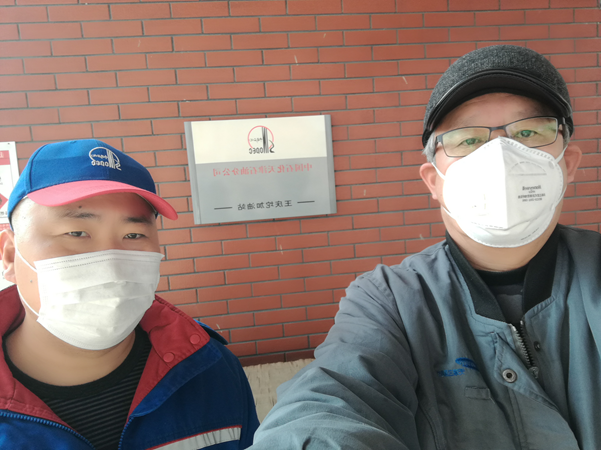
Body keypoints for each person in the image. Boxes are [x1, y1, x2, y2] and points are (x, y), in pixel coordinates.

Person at [249, 45, 601, 449]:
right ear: (434, 182)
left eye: (529, 133)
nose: (501, 155)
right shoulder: (390, 302)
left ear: (567, 165)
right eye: (468, 139)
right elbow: (328, 404)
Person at [0, 140, 259, 449]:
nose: (111, 263)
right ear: (10, 255)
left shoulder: (210, 368)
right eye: (77, 233)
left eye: (134, 235)